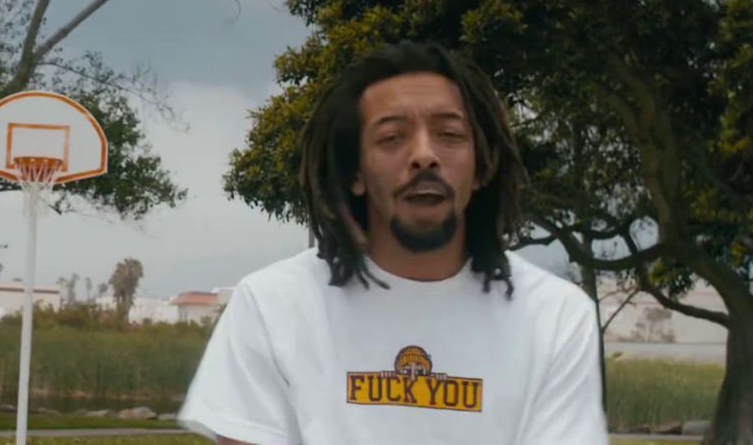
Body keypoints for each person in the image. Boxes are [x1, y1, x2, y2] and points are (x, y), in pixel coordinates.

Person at [179, 41, 607, 445]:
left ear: (481, 168)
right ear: (356, 173)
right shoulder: (271, 306)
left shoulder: (557, 318)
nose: (424, 155)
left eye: (450, 135)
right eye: (392, 137)